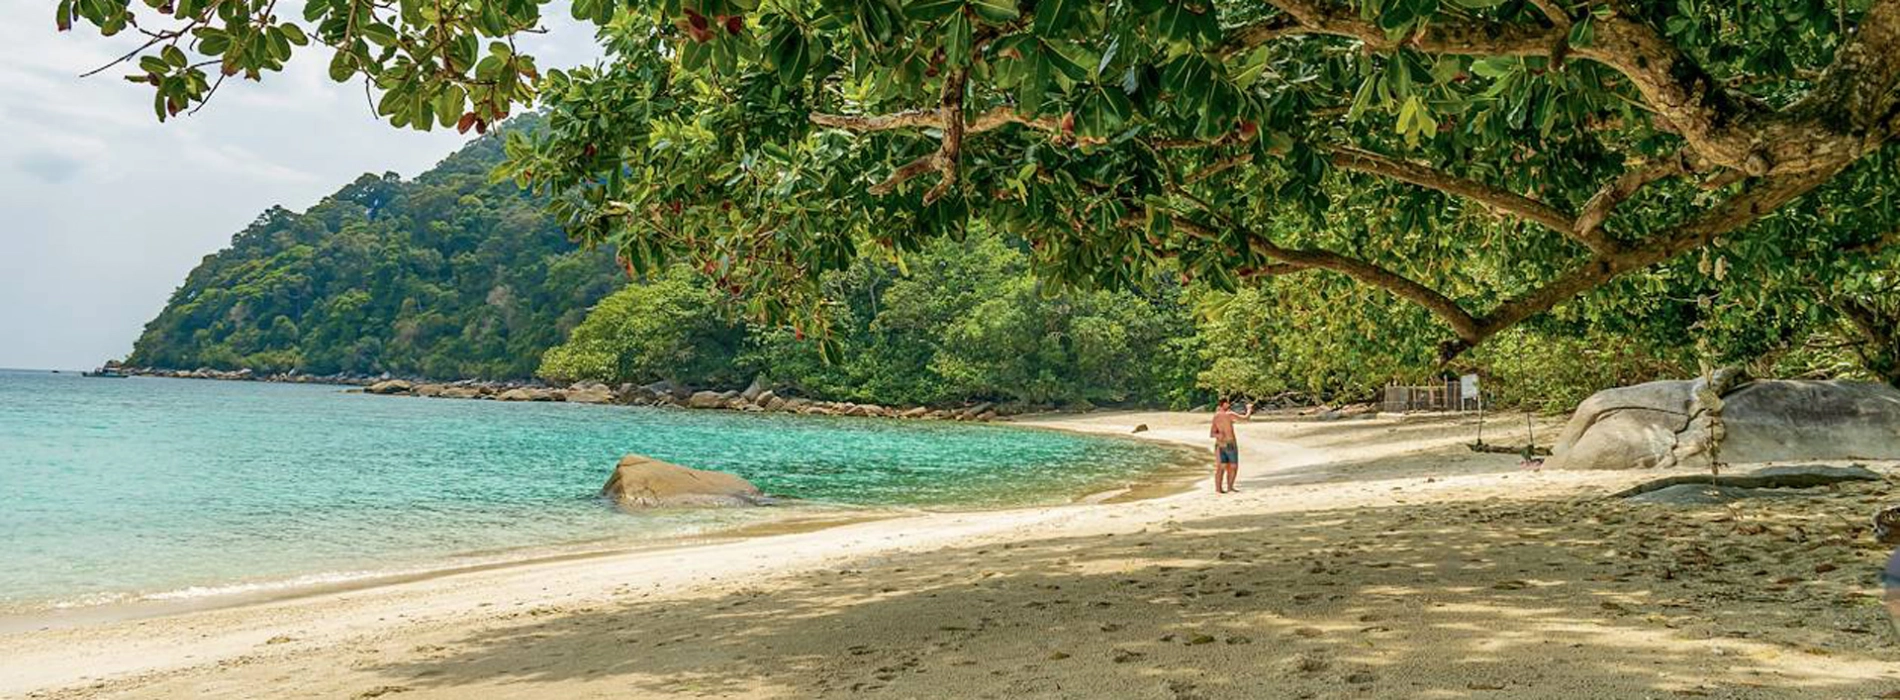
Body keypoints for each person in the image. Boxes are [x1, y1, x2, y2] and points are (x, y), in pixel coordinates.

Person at [1209, 398, 1253, 494]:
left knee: (1221, 467)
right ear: (1224, 404)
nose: (1229, 405)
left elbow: (1212, 433)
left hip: (1220, 444)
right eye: (1228, 403)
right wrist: (1249, 409)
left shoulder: (1216, 416)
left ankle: (1218, 489)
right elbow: (1245, 419)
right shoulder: (1229, 414)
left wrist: (1218, 435)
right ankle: (1229, 488)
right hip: (1229, 444)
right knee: (1232, 466)